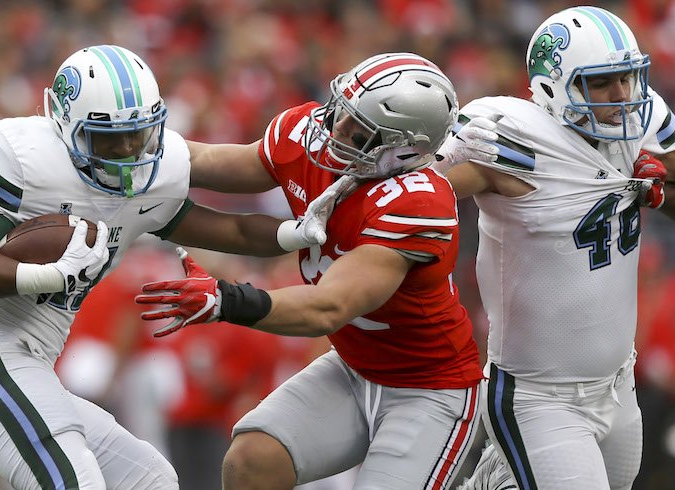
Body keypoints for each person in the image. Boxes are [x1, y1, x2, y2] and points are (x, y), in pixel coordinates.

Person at [0, 45, 338, 490]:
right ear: (65, 126)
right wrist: (46, 276)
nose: (131, 151)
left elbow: (230, 232)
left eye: (139, 133)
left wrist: (293, 232)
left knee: (150, 479)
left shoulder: (148, 186)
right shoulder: (30, 162)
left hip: (31, 367)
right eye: (112, 139)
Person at [135, 52, 502, 490]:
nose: (335, 132)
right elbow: (209, 161)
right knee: (252, 461)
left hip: (428, 389)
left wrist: (226, 299)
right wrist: (133, 147)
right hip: (352, 366)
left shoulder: (419, 204)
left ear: (405, 150)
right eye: (342, 112)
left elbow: (328, 307)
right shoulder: (308, 133)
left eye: (359, 131)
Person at [434, 6, 675, 489]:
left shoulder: (632, 126)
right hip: (538, 395)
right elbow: (422, 192)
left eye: (628, 79)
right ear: (553, 87)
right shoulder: (513, 137)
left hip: (618, 384)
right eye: (603, 83)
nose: (623, 96)